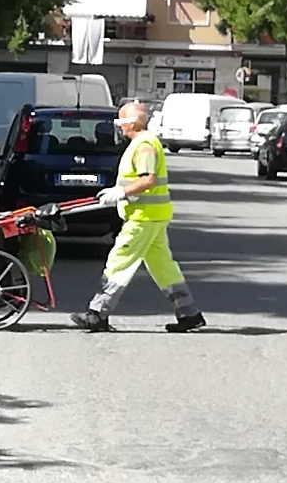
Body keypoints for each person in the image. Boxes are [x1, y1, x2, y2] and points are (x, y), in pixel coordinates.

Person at [70, 101, 205, 333]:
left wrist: (121, 192)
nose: (119, 127)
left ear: (131, 122)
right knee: (164, 267)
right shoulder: (143, 142)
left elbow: (147, 179)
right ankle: (189, 313)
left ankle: (97, 313)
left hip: (143, 218)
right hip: (152, 215)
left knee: (119, 261)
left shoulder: (144, 145)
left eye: (120, 122)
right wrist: (119, 194)